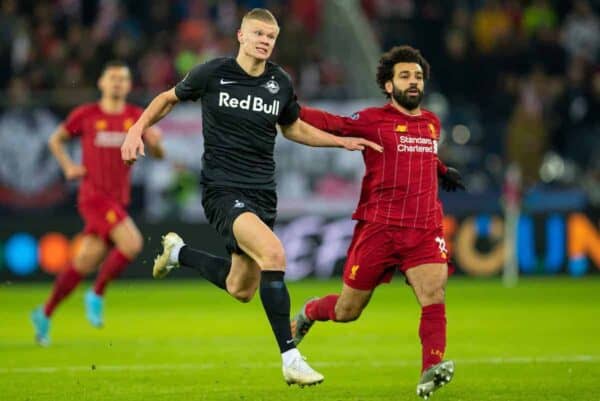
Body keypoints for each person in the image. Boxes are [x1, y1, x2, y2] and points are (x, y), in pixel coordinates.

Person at [120, 8, 381, 387]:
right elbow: (167, 98)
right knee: (274, 254)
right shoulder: (213, 73)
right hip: (222, 190)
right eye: (257, 33)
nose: (264, 41)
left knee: (241, 288)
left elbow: (292, 128)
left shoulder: (279, 82)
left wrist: (339, 141)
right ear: (240, 35)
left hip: (263, 194)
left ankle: (179, 254)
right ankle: (290, 358)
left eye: (270, 37)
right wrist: (136, 130)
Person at [289, 45, 465, 399]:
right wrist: (290, 109)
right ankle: (309, 312)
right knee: (347, 310)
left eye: (417, 77)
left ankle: (430, 369)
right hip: (379, 229)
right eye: (405, 76)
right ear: (388, 85)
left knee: (434, 294)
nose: (413, 82)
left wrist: (443, 171)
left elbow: (423, 155)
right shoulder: (372, 120)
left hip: (424, 227)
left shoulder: (432, 123)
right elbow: (333, 123)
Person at [31, 61, 165, 346]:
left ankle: (44, 313)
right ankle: (97, 293)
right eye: (112, 78)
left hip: (118, 200)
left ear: (129, 86)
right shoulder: (87, 114)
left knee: (84, 261)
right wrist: (68, 166)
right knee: (132, 244)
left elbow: (159, 155)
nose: (117, 83)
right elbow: (56, 139)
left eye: (123, 79)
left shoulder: (135, 117)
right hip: (93, 196)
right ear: (102, 83)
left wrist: (155, 143)